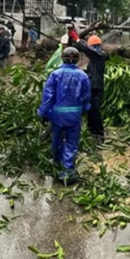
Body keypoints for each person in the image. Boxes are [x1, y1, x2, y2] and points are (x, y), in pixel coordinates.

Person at [37, 47, 91, 184]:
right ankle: (68, 170)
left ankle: (56, 164)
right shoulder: (83, 76)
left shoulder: (55, 74)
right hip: (75, 115)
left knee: (57, 139)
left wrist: (42, 112)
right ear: (77, 59)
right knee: (72, 142)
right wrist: (85, 109)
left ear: (62, 58)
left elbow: (48, 96)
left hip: (57, 115)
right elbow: (86, 96)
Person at [69, 29, 107, 144]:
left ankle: (99, 134)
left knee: (95, 111)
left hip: (96, 88)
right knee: (90, 110)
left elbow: (87, 49)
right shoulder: (93, 60)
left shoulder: (99, 55)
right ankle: (91, 132)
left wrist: (77, 38)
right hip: (91, 88)